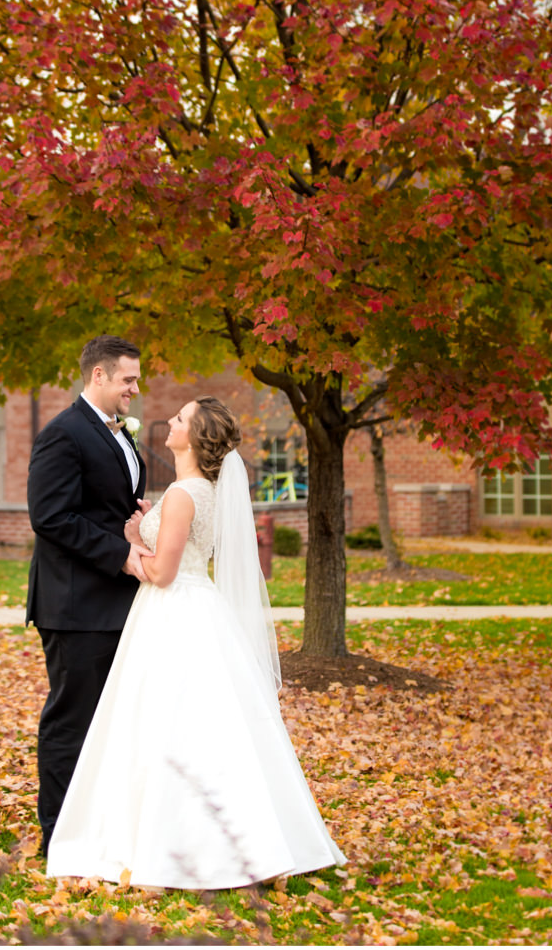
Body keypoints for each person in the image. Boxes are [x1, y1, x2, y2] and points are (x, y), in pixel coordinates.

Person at [43, 396, 343, 888]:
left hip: (172, 612)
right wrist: (150, 524)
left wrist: (137, 539)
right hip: (194, 609)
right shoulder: (199, 490)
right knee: (206, 728)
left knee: (164, 724)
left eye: (180, 419)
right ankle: (243, 842)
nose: (171, 421)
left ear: (194, 437)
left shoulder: (185, 494)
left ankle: (169, 846)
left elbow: (161, 573)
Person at [25, 335, 149, 854]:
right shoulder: (65, 434)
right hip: (75, 605)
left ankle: (98, 823)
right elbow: (50, 516)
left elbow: (107, 504)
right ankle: (59, 837)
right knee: (72, 720)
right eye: (127, 380)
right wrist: (120, 554)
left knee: (109, 722)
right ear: (98, 376)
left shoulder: (115, 432)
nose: (134, 389)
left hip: (113, 602)